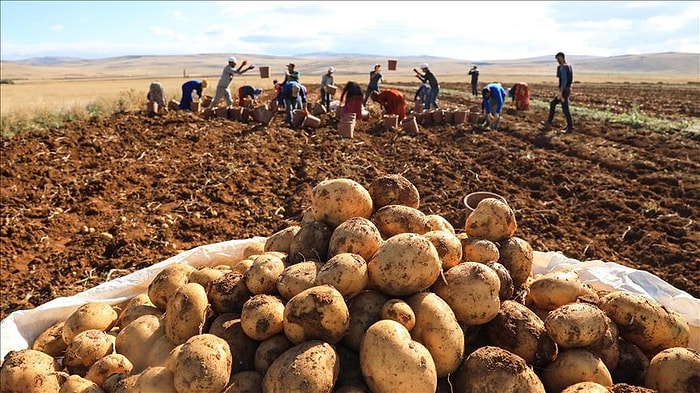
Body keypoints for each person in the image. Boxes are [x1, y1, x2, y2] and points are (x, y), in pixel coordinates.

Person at [541, 52, 574, 133]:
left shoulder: (562, 67)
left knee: (565, 108)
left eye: (558, 59)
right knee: (553, 104)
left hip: (564, 91)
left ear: (562, 57)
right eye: (557, 59)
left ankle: (570, 128)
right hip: (567, 89)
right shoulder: (569, 66)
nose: (558, 60)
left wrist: (561, 92)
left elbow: (564, 80)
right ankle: (549, 122)